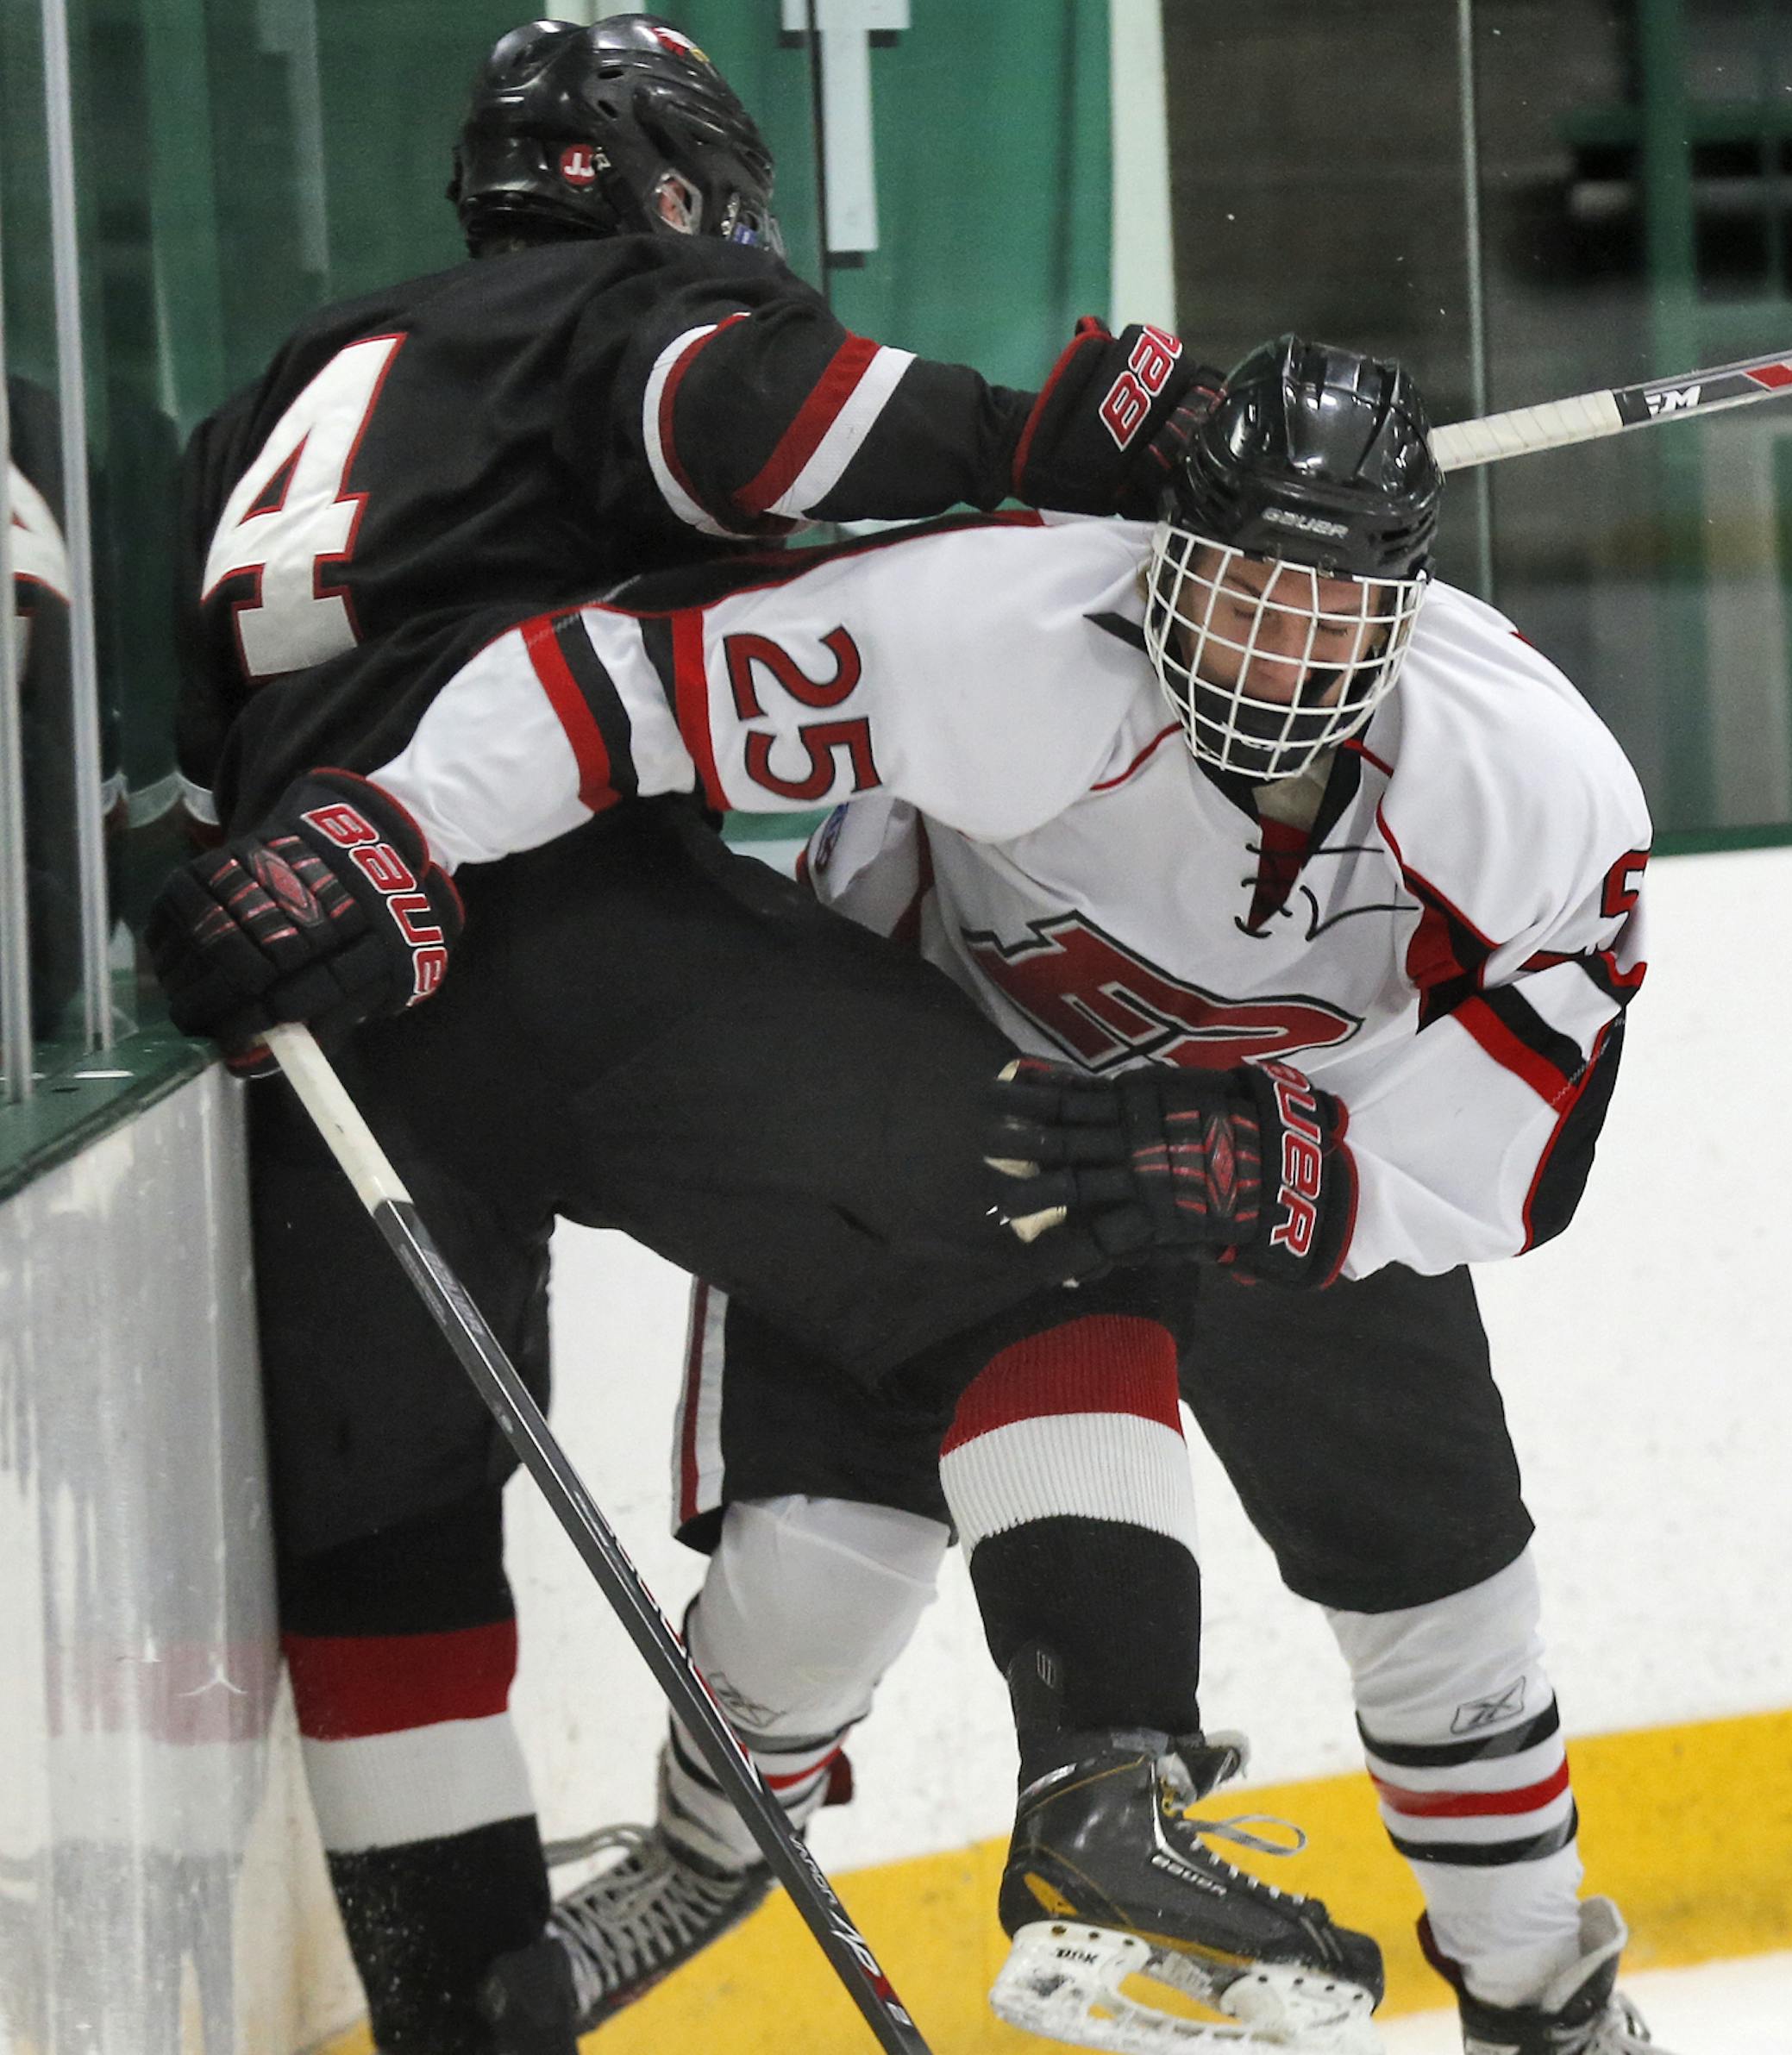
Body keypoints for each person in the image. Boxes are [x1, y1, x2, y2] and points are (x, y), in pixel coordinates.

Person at [332, 335, 1665, 2055]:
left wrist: (1311, 1181)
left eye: (1327, 607)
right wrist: (397, 826)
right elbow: (620, 682)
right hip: (955, 1114)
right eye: (1238, 585)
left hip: (1294, 1151)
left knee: (1452, 1601)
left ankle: (1539, 1982)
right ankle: (701, 1852)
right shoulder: (994, 633)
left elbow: (1528, 1133)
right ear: (1160, 554)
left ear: (1406, 609)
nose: (1276, 648)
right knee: (809, 1581)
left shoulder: (1528, 786)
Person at [154, 16, 1225, 2052]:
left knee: (392, 1555)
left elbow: (210, 803)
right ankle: (1107, 1794)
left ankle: (469, 2013)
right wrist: (1045, 433)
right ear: (662, 189)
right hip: (559, 921)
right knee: (1068, 1198)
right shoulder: (618, 306)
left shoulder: (278, 396)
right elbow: (746, 417)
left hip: (314, 1023)